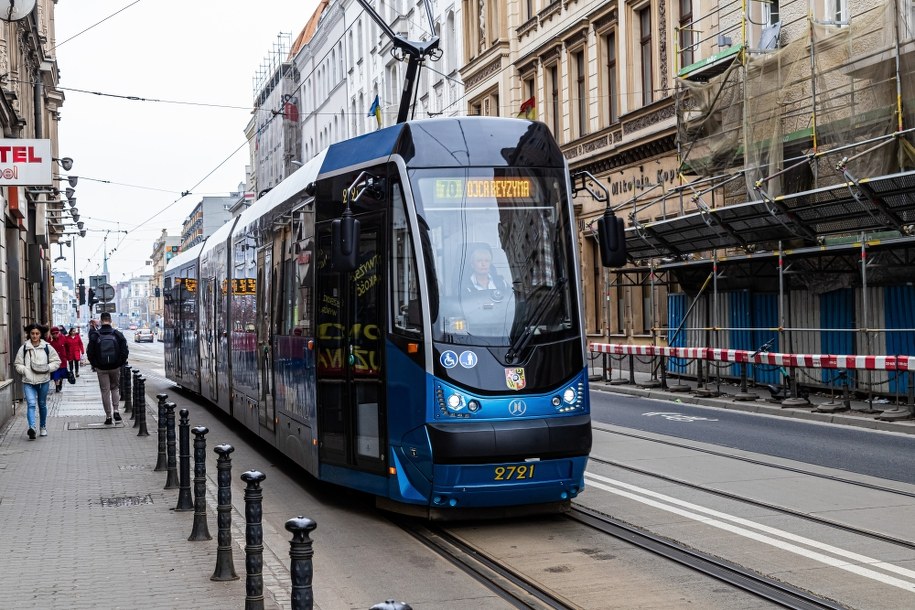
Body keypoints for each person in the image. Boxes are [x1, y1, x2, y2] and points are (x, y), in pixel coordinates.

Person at [14, 323, 61, 439]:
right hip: (28, 381)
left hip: (43, 381)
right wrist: (24, 370)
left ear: (40, 335)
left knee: (42, 404)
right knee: (31, 404)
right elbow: (17, 363)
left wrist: (48, 368)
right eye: (32, 333)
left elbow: (56, 361)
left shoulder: (47, 347)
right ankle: (32, 428)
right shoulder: (24, 348)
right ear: (29, 334)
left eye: (37, 333)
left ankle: (43, 427)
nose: (34, 336)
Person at [86, 312, 129, 425]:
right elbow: (125, 352)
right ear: (110, 321)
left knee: (105, 391)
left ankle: (108, 416)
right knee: (115, 388)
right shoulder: (117, 334)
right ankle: (116, 411)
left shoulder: (95, 335)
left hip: (101, 368)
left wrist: (95, 365)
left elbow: (90, 353)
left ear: (101, 321)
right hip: (115, 367)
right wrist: (119, 363)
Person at [47, 326, 70, 393]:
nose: (55, 335)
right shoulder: (50, 340)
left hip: (63, 359)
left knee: (62, 374)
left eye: (56, 333)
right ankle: (57, 385)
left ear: (59, 333)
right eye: (53, 334)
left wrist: (68, 357)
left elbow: (67, 348)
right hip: (54, 360)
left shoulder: (63, 338)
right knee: (55, 374)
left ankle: (60, 382)